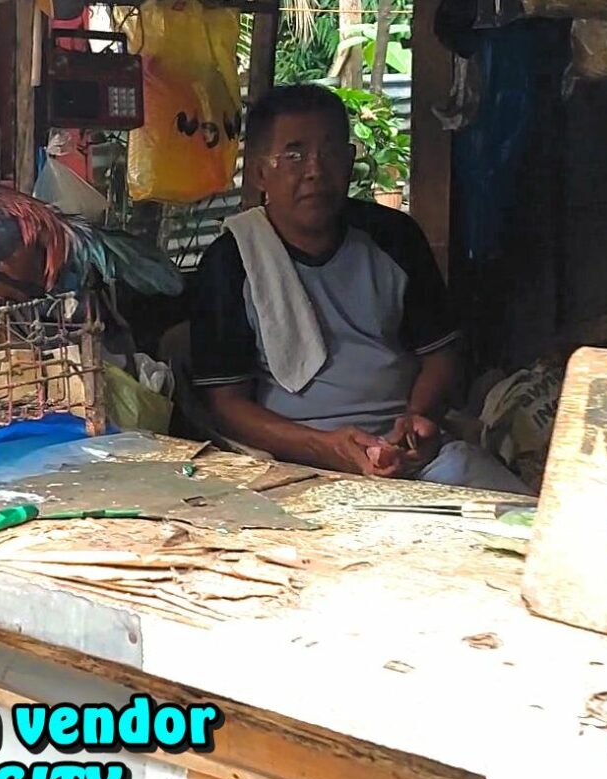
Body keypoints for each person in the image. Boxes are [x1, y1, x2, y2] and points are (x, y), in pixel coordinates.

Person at [188, 84, 528, 492]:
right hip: (294, 466)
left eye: (330, 152)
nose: (315, 169)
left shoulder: (393, 237)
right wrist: (323, 447)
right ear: (261, 171)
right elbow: (227, 405)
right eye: (294, 155)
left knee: (525, 523)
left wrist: (417, 422)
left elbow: (440, 356)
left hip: (412, 456)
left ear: (349, 161)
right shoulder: (231, 262)